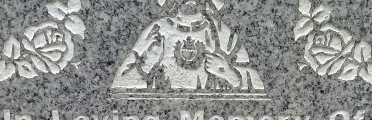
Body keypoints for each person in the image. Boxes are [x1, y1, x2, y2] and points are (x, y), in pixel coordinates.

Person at [111, 0, 266, 95]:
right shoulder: (157, 29)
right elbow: (119, 85)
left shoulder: (220, 31)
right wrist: (145, 66)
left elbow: (258, 84)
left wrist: (227, 72)